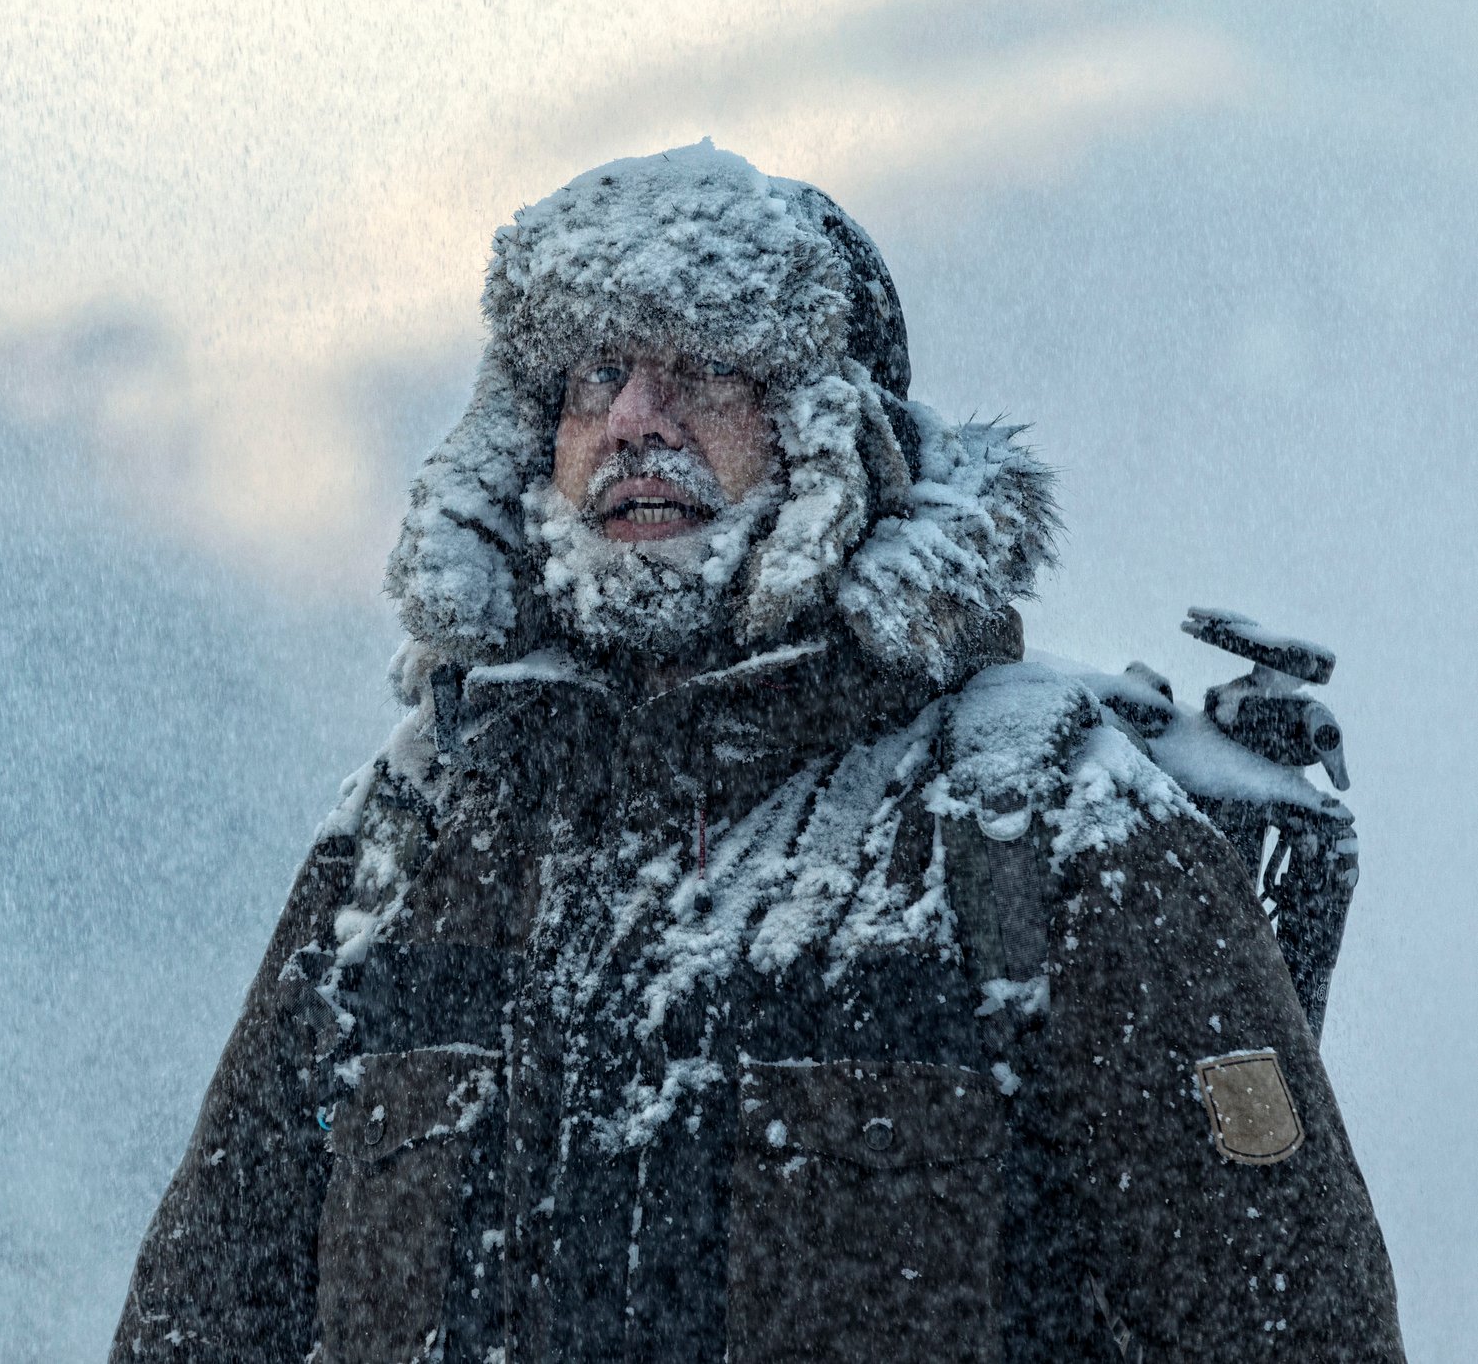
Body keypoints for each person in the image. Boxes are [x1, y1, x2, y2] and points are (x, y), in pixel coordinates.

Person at [108, 142, 1404, 1363]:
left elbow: (1293, 1326)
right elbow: (199, 1324)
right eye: (586, 378)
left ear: (837, 433)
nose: (630, 418)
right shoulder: (414, 830)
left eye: (705, 369)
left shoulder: (1041, 824)